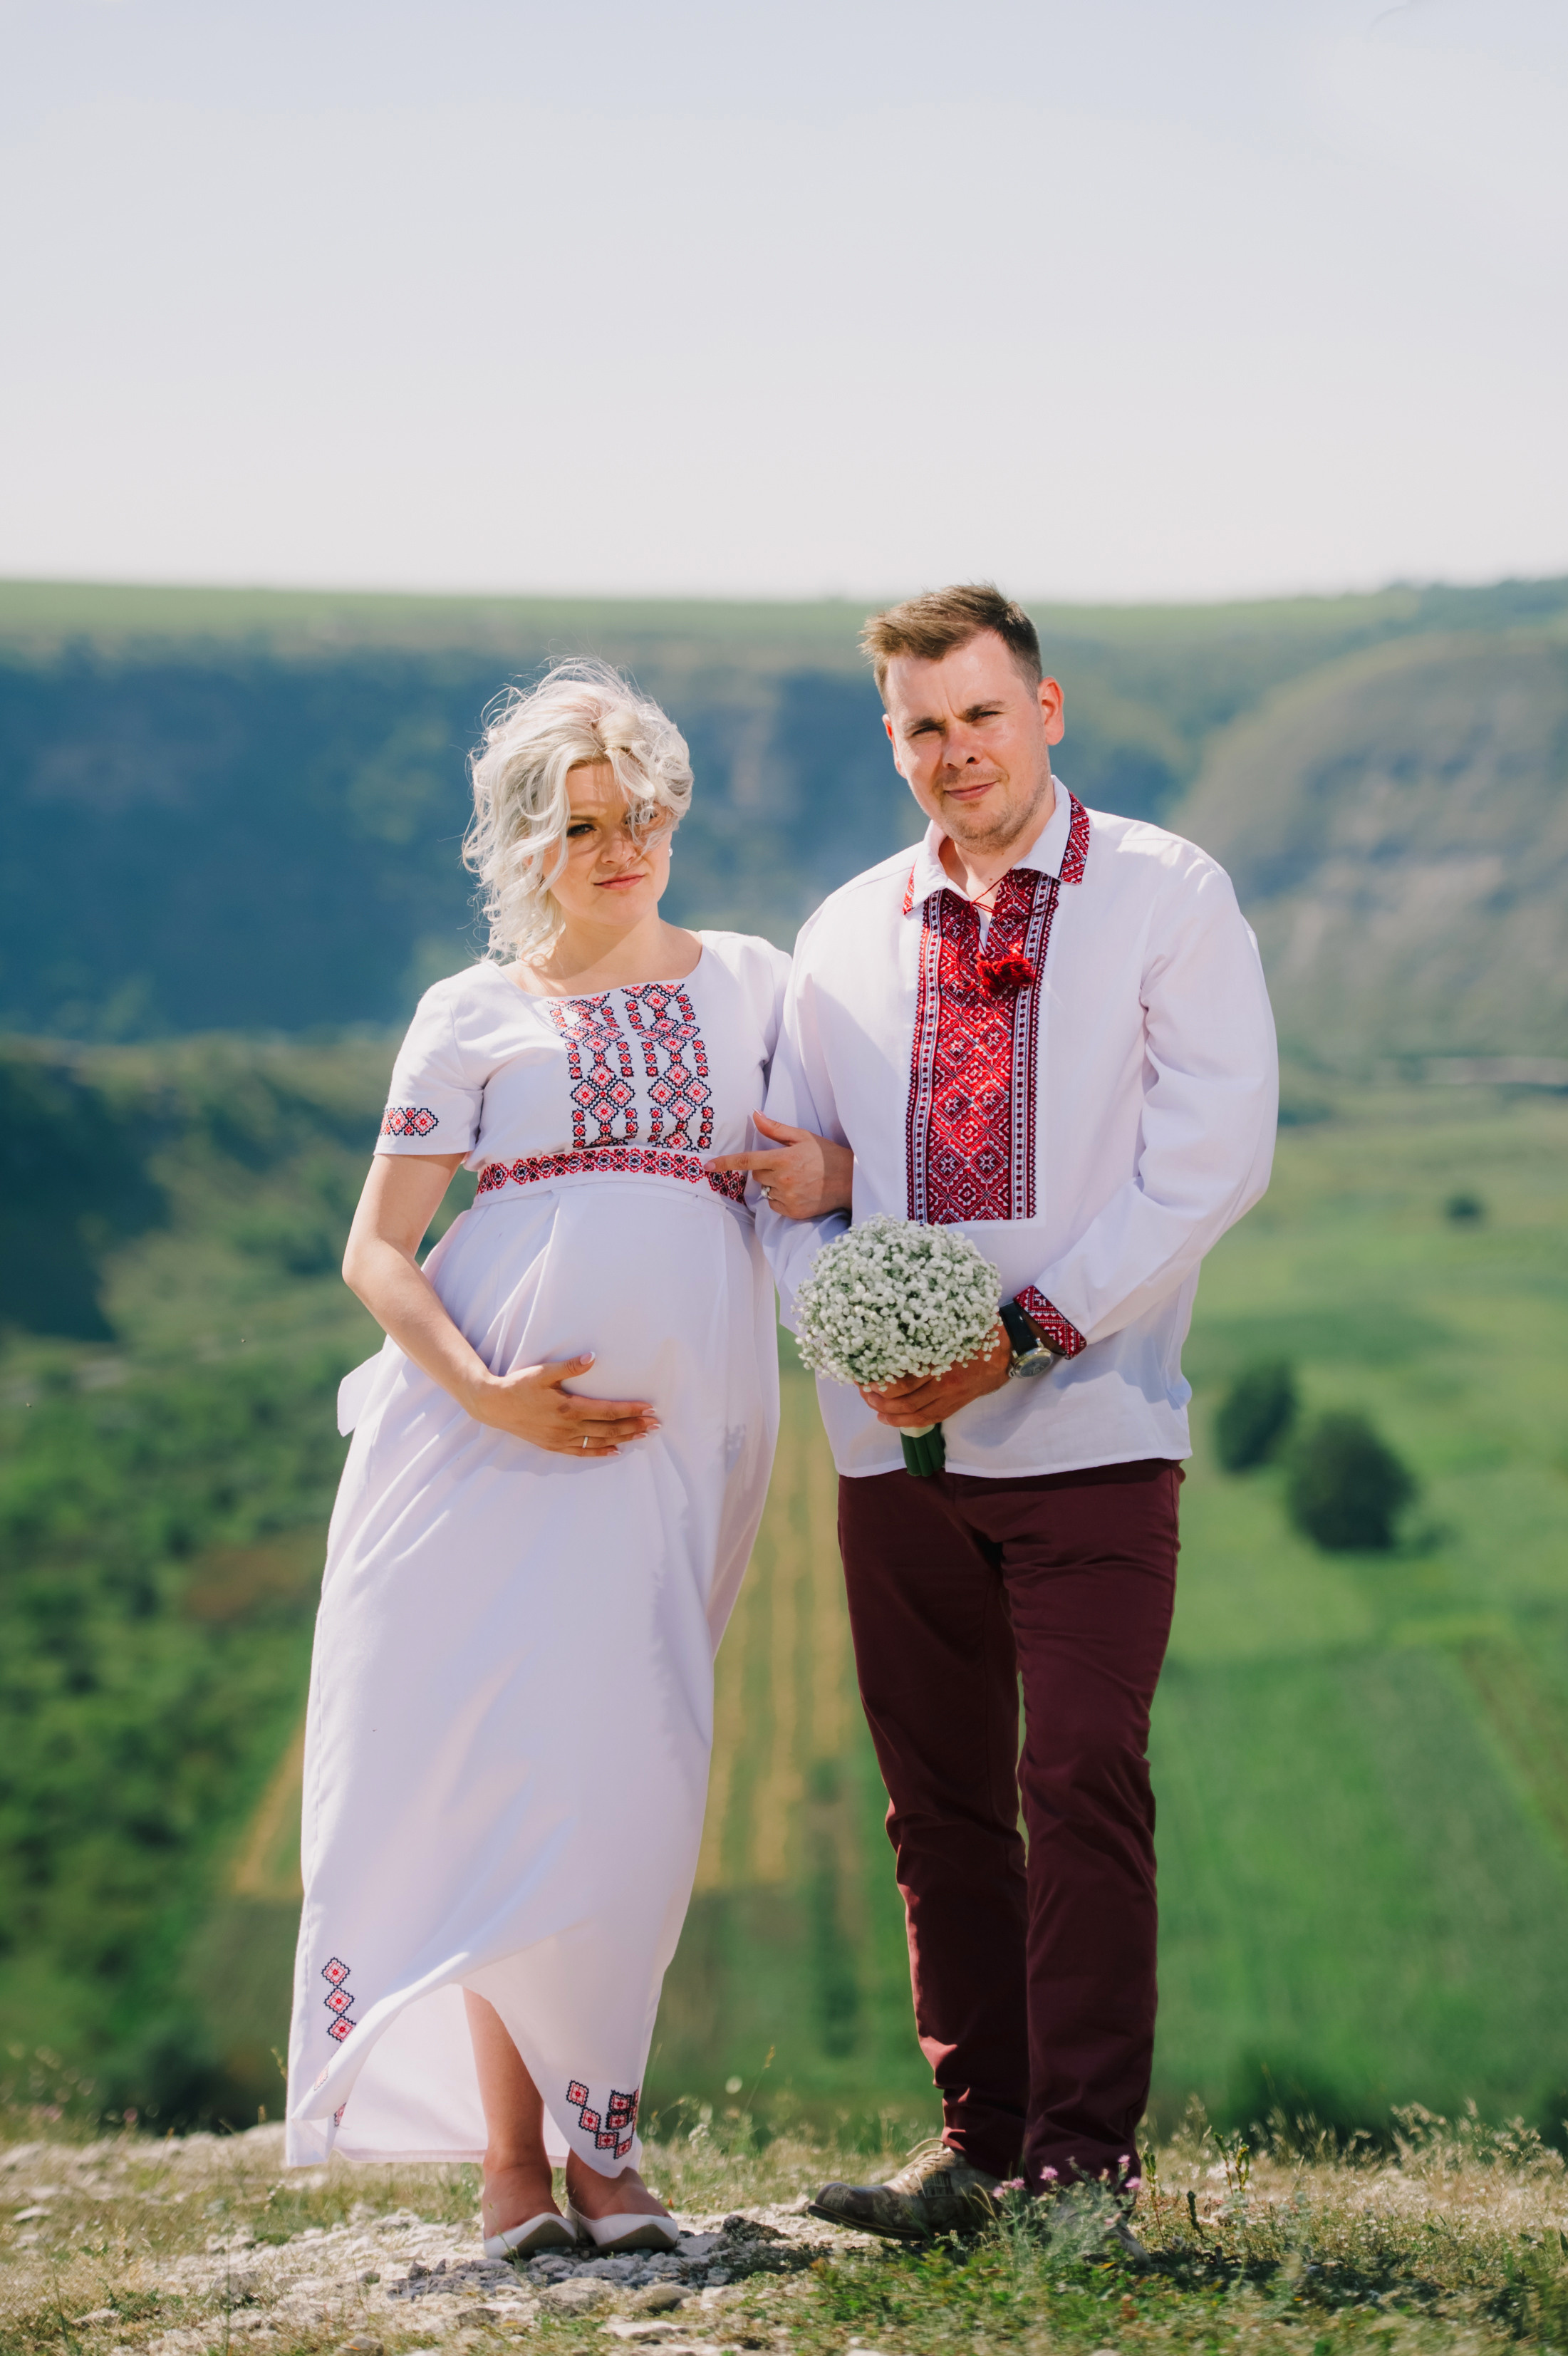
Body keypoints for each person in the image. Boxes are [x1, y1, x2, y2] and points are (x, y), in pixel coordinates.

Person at [738, 584, 1277, 2243]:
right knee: (940, 1793)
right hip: (891, 1443)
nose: (955, 750)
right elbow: (785, 1176)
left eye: (982, 714)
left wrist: (1023, 1330)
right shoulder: (843, 932)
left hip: (1099, 1422)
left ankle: (1084, 2171)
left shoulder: (1167, 895)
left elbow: (1212, 1154)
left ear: (1048, 710)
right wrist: (849, 1332)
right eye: (922, 725)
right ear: (890, 740)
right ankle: (977, 2146)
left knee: (1089, 1767)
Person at [284, 661, 829, 2258]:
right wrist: (486, 1394)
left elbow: (827, 1159)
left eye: (644, 815)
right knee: (505, 1779)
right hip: (477, 1456)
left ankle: (598, 2138)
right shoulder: (468, 1013)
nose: (621, 848)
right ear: (526, 837)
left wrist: (830, 1171)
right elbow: (379, 1255)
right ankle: (539, 2174)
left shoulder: (753, 982)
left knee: (629, 1775)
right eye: (584, 824)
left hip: (675, 1462)